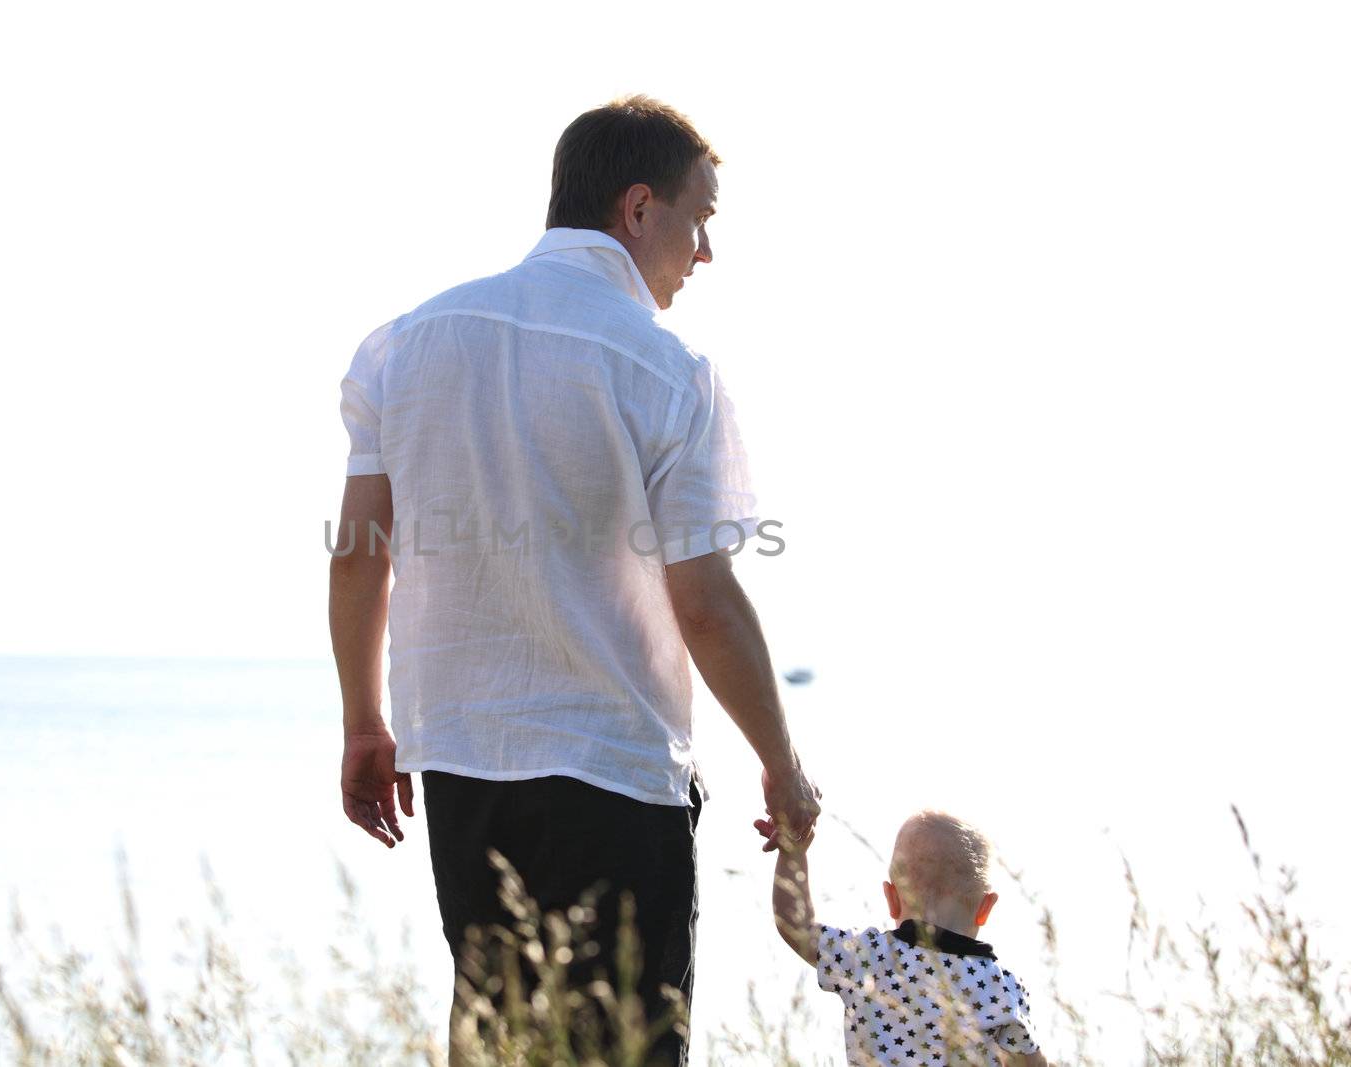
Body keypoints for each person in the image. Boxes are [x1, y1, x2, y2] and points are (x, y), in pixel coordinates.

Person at [328, 94, 820, 1065]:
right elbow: (706, 603)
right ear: (639, 208)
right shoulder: (668, 368)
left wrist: (362, 721)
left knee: (504, 1048)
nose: (705, 252)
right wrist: (781, 763)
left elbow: (356, 552)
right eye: (700, 217)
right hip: (615, 778)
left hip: (463, 769)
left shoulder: (405, 343)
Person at [755, 807, 1047, 1066]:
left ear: (891, 898)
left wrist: (793, 855)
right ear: (985, 908)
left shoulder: (869, 957)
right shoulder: (1002, 987)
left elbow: (796, 926)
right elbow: (1031, 1064)